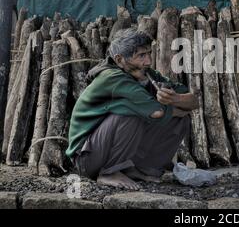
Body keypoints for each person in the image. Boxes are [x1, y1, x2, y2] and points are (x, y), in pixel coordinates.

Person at [65, 28, 198, 190]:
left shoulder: (145, 73)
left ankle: (138, 169)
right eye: (141, 56)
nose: (148, 61)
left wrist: (176, 98)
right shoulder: (112, 77)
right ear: (120, 59)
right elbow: (157, 112)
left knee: (180, 120)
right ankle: (108, 172)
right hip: (86, 158)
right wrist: (177, 108)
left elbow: (192, 101)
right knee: (131, 113)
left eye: (149, 53)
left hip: (104, 150)